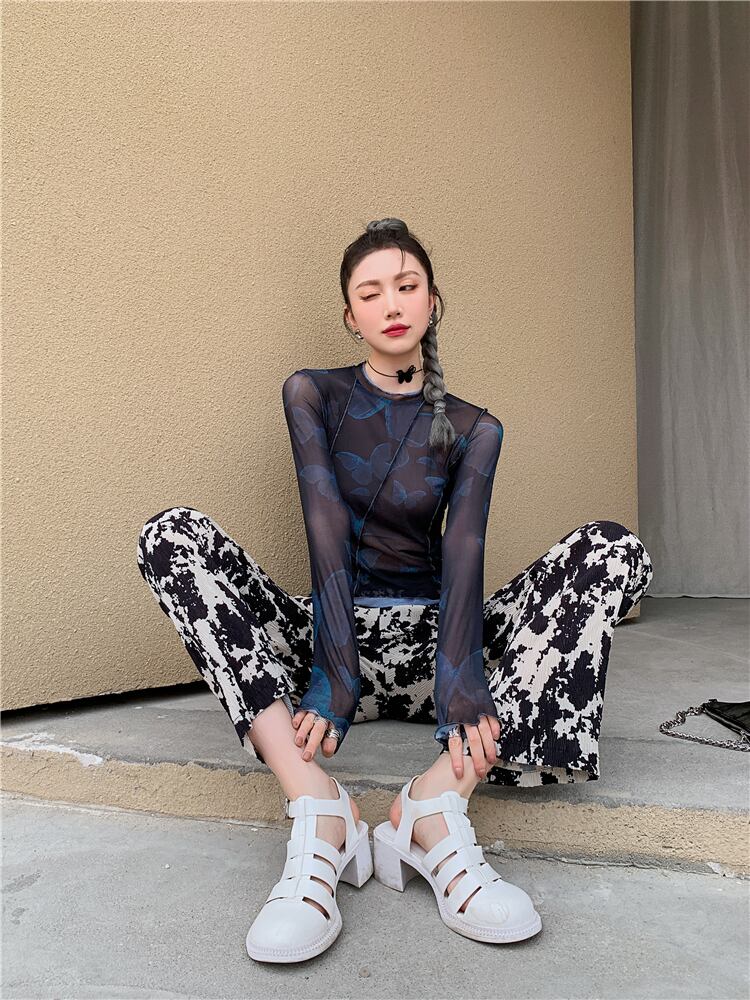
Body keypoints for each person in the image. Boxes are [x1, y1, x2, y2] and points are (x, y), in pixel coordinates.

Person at [137, 218, 654, 963]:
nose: (392, 304)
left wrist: (463, 676)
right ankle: (318, 805)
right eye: (371, 292)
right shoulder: (312, 393)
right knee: (170, 536)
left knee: (614, 550)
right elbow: (322, 519)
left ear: (432, 302)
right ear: (351, 316)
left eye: (407, 286)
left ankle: (434, 807)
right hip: (328, 647)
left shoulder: (476, 427)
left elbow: (465, 547)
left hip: (438, 644)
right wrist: (334, 671)